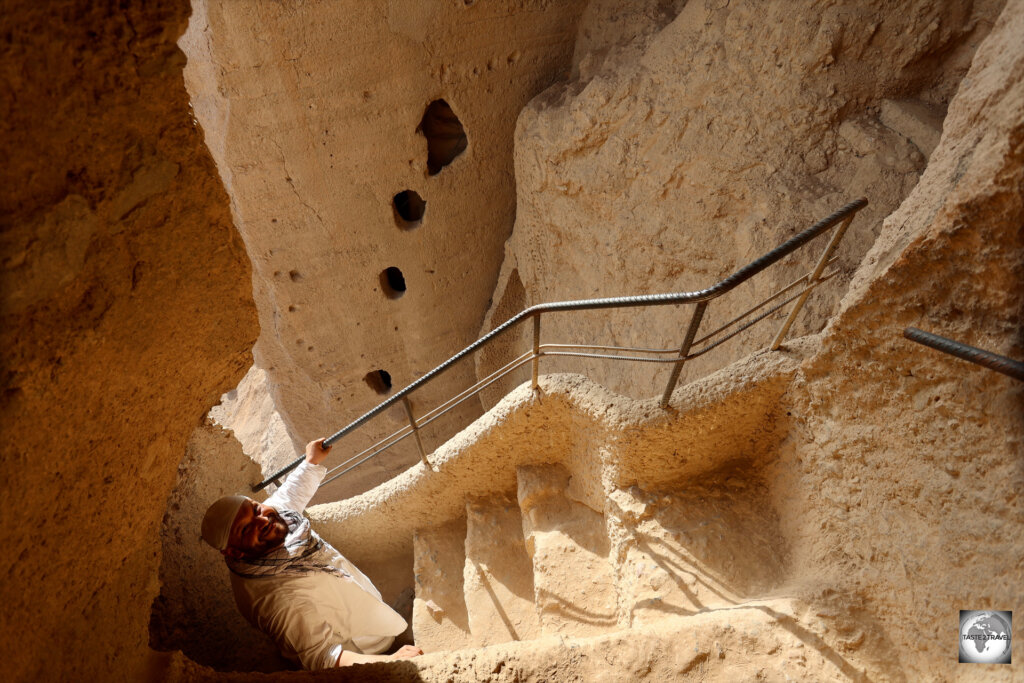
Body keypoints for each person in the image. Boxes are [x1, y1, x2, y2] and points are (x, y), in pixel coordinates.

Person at [201, 438, 423, 669]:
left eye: (255, 509)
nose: (263, 520)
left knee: (378, 615)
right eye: (246, 528)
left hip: (355, 602)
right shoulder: (277, 599)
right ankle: (388, 645)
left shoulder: (274, 521)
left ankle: (391, 627)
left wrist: (311, 461)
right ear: (234, 552)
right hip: (358, 646)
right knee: (379, 641)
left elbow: (289, 494)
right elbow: (323, 655)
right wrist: (389, 662)